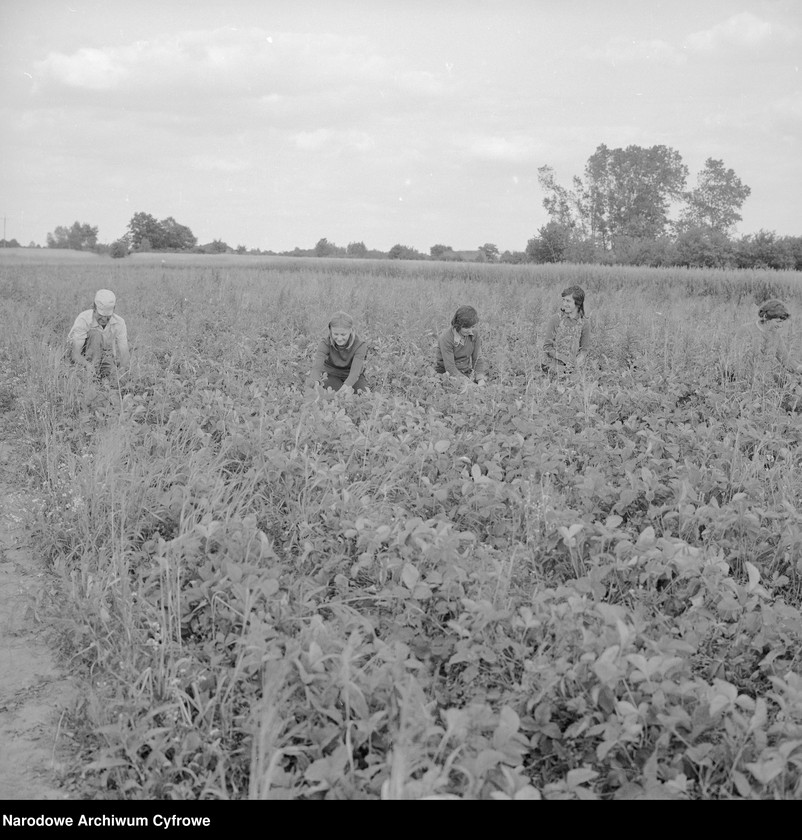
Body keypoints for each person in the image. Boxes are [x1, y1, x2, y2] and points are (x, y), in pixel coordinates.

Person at [68, 289, 130, 383]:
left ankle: (98, 376)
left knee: (114, 378)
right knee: (96, 335)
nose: (104, 319)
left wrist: (121, 371)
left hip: (102, 354)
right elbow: (75, 354)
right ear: (94, 307)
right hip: (81, 357)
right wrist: (88, 365)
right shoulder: (84, 319)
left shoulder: (119, 323)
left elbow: (124, 353)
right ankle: (90, 377)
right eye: (101, 315)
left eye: (108, 316)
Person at [305, 311, 369, 395]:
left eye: (343, 334)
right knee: (332, 393)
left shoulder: (360, 345)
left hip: (351, 374)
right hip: (332, 374)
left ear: (351, 330)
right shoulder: (325, 343)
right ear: (330, 330)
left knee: (363, 394)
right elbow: (316, 367)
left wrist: (345, 388)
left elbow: (354, 374)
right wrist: (316, 383)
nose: (339, 338)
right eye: (335, 334)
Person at [541, 285, 590, 375]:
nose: (564, 304)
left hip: (572, 368)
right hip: (551, 366)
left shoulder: (584, 323)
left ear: (578, 303)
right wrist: (563, 359)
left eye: (568, 301)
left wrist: (577, 363)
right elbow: (547, 347)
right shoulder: (556, 319)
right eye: (563, 300)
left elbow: (584, 350)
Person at [434, 305, 487, 386]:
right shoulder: (446, 338)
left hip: (465, 372)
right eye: (466, 328)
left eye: (472, 327)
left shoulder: (474, 334)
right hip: (446, 375)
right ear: (458, 325)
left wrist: (480, 379)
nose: (470, 331)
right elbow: (450, 368)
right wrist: (470, 384)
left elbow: (477, 359)